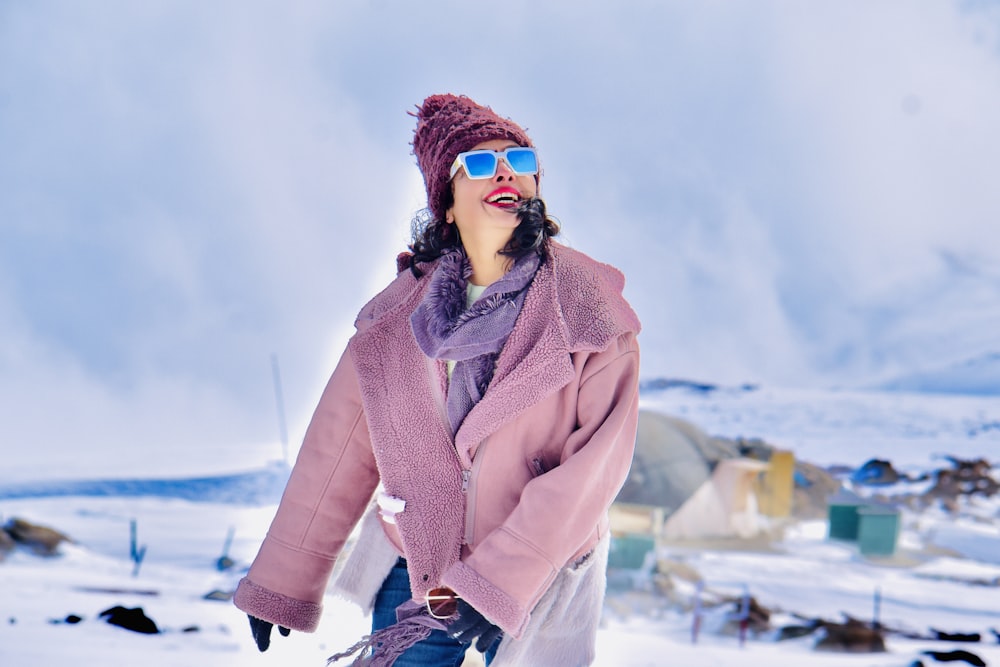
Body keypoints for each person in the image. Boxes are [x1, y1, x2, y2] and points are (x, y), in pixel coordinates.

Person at [233, 93, 641, 666]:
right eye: (478, 162)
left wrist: (499, 577)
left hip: (539, 566)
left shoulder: (587, 307)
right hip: (418, 562)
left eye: (520, 160)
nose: (504, 171)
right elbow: (338, 454)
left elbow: (593, 468)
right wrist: (284, 578)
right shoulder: (395, 321)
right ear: (446, 204)